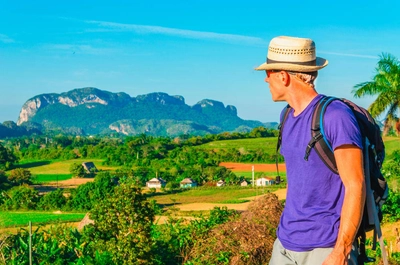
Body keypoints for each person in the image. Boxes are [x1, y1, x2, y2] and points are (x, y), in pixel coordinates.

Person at [255, 36, 366, 265]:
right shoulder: (286, 115)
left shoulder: (335, 116)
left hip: (325, 249)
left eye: (268, 73)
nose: (266, 80)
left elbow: (356, 185)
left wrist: (341, 252)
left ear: (283, 76)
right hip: (285, 244)